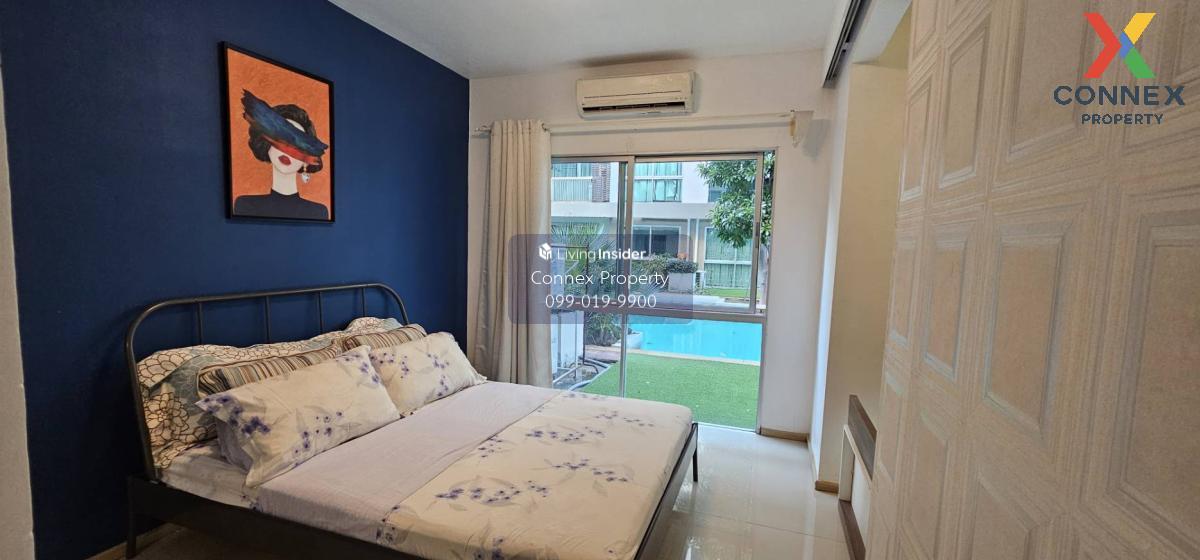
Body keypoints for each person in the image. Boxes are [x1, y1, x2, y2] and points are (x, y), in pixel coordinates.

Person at [232, 90, 329, 220]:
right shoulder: (246, 205)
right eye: (281, 141)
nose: (286, 151)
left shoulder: (318, 212)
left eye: (297, 146)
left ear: (306, 160)